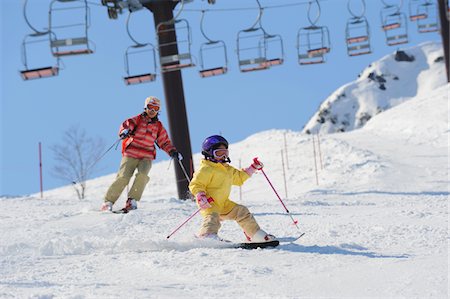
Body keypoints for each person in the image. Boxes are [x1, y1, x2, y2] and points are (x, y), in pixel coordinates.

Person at [188, 135, 276, 243]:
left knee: (242, 211)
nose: (223, 156)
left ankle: (255, 235)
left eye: (225, 153)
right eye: (219, 153)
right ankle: (207, 236)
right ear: (209, 153)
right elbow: (196, 184)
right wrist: (200, 196)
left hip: (224, 203)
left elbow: (239, 178)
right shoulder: (206, 169)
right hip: (209, 203)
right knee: (212, 217)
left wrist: (252, 168)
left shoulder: (227, 169)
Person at [101, 96, 182, 212]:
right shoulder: (137, 120)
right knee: (124, 177)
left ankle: (132, 200)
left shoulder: (158, 126)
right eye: (150, 107)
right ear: (145, 107)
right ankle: (108, 201)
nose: (152, 111)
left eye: (156, 108)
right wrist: (124, 132)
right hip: (131, 153)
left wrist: (172, 151)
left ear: (158, 110)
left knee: (143, 176)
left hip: (147, 155)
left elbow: (164, 141)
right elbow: (127, 125)